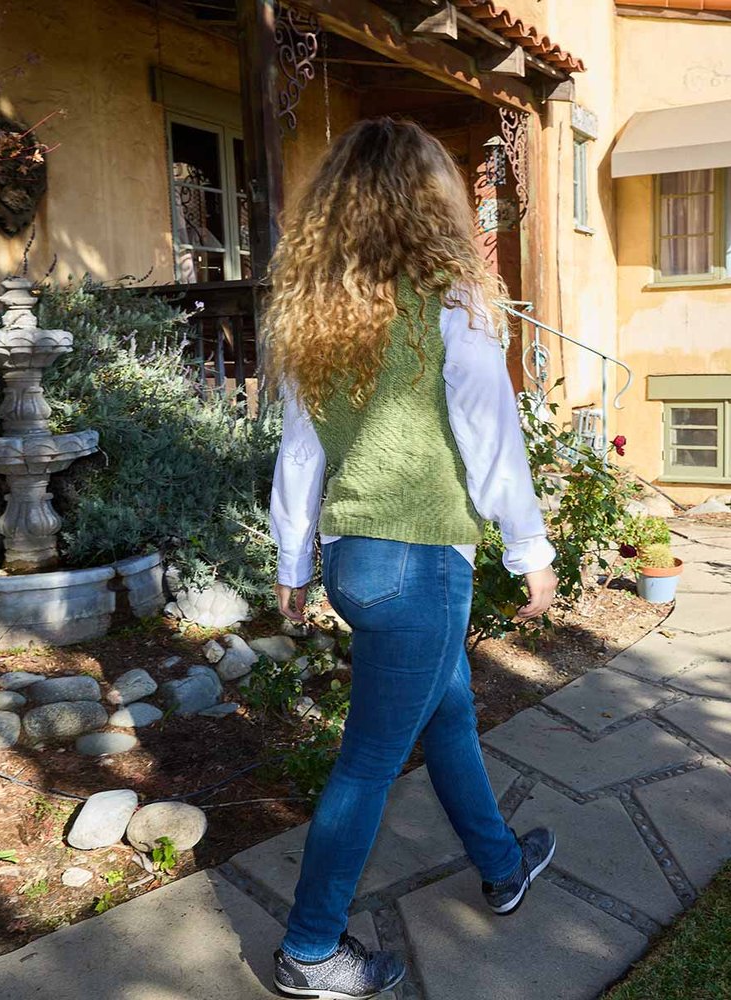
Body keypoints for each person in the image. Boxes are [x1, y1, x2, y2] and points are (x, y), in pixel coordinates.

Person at [266, 117, 560, 1000]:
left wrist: (292, 566)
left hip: (357, 565)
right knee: (367, 764)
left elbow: (299, 457)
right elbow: (492, 436)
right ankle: (309, 949)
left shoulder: (321, 321)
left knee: (450, 716)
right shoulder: (449, 308)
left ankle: (502, 866)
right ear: (430, 204)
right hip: (422, 565)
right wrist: (530, 548)